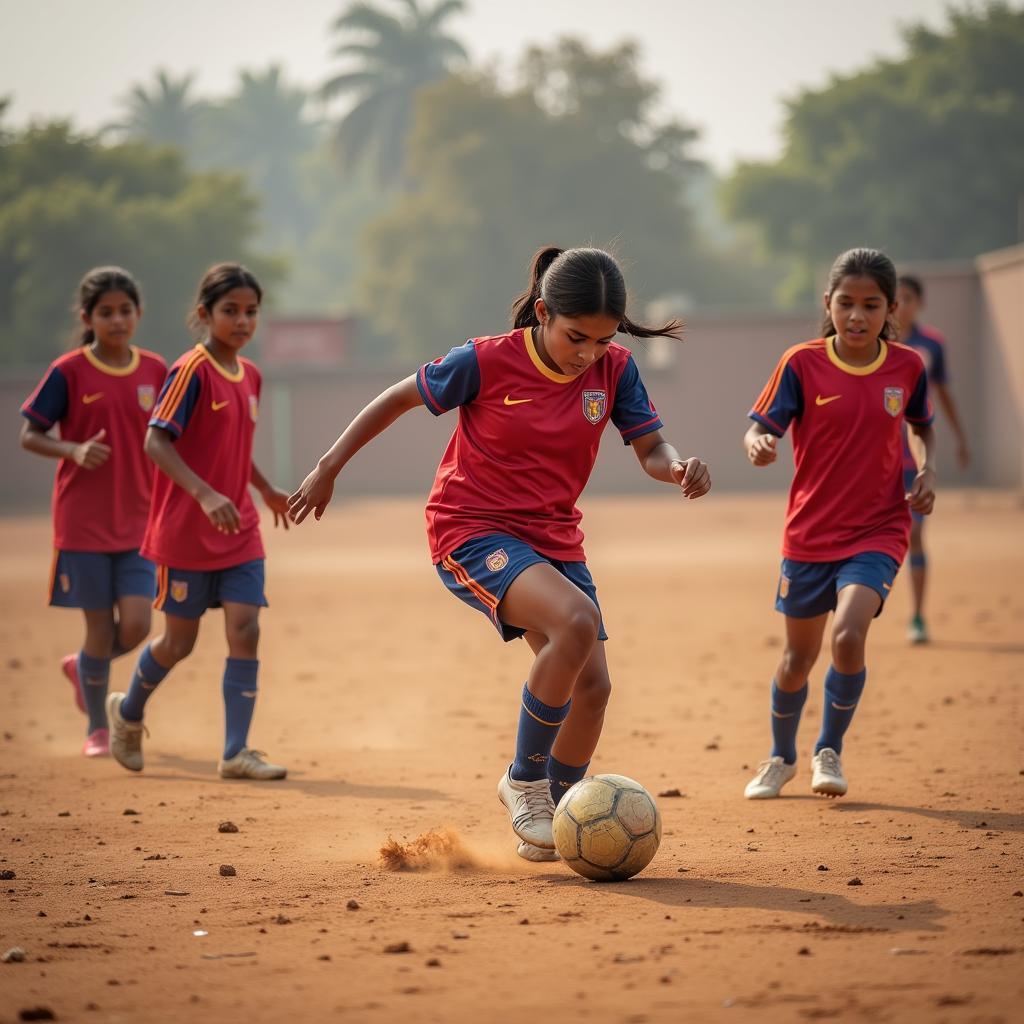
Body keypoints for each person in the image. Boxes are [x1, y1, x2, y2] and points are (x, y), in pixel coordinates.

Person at [288, 246, 711, 860]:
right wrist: (328, 467)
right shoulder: (486, 361)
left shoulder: (615, 370)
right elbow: (399, 397)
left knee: (593, 689)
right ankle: (525, 783)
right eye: (576, 337)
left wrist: (676, 467)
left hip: (553, 536)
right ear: (542, 312)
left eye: (602, 338)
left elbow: (650, 447)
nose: (588, 353)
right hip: (472, 528)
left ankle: (559, 820)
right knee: (576, 621)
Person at [742, 248, 935, 801]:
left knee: (849, 636)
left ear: (891, 308)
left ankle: (829, 750)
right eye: (846, 303)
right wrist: (759, 442)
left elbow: (923, 426)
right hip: (808, 534)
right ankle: (780, 756)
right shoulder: (801, 363)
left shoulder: (907, 367)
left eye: (870, 305)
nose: (857, 315)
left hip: (878, 528)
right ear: (828, 303)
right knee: (797, 659)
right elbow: (760, 426)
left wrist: (929, 466)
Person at [105, 263, 291, 780]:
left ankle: (236, 751)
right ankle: (128, 711)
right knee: (178, 642)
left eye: (250, 311)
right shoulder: (192, 369)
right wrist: (206, 495)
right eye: (230, 310)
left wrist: (263, 488)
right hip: (186, 532)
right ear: (205, 314)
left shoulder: (250, 375)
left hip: (241, 531)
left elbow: (231, 447)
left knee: (246, 629)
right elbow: (155, 441)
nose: (242, 320)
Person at [20, 267, 166, 757]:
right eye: (106, 312)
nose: (118, 319)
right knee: (100, 628)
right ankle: (96, 730)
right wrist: (73, 450)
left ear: (138, 314)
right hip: (82, 524)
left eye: (125, 310)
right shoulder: (68, 371)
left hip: (141, 521)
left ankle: (82, 668)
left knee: (139, 626)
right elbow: (29, 433)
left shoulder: (156, 371)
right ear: (88, 317)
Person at [897, 274, 970, 644]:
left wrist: (959, 438)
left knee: (916, 533)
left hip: (915, 458)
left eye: (908, 297)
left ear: (919, 303)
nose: (901, 304)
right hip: (873, 458)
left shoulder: (930, 345)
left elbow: (943, 394)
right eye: (896, 297)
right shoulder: (873, 344)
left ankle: (918, 616)